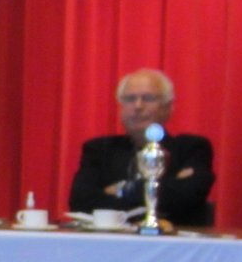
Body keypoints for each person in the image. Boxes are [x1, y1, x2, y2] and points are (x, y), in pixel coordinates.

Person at [68, 68, 215, 226]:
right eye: (130, 99)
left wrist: (120, 190)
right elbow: (81, 201)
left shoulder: (191, 148)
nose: (138, 106)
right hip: (112, 238)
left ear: (168, 108)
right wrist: (167, 185)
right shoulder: (99, 149)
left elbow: (186, 197)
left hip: (172, 238)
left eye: (148, 98)